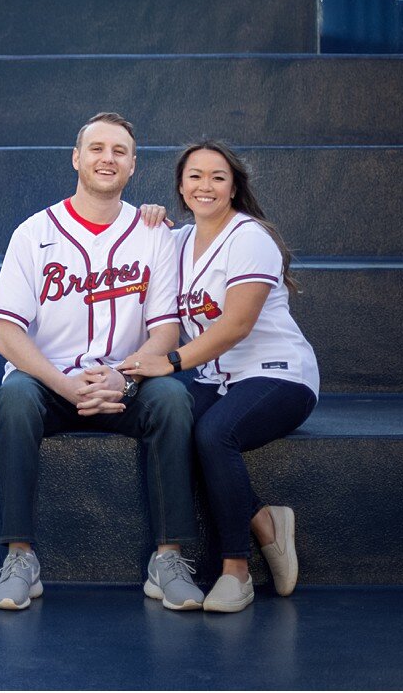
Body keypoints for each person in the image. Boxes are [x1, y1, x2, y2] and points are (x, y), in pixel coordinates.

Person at [0, 112, 202, 611]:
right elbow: (5, 333)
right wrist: (67, 387)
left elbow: (166, 330)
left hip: (126, 378)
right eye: (98, 148)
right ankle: (20, 558)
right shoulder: (34, 232)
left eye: (120, 151)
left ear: (132, 167)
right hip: (52, 383)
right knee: (13, 398)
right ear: (77, 158)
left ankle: (167, 559)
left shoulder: (155, 235)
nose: (108, 158)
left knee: (172, 397)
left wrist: (122, 377)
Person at [126, 141, 319, 614]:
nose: (205, 186)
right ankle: (263, 521)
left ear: (234, 187)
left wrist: (170, 362)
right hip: (217, 377)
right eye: (194, 176)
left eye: (217, 177)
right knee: (171, 426)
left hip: (278, 374)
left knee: (214, 433)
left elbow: (236, 325)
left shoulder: (249, 236)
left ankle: (237, 571)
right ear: (181, 186)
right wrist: (144, 215)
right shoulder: (177, 241)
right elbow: (126, 239)